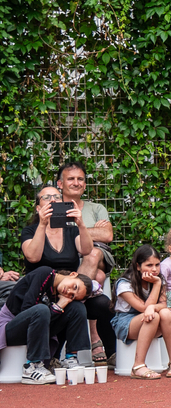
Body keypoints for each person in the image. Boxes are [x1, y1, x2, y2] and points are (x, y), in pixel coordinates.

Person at [20, 184, 117, 362]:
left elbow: (87, 250)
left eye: (57, 197)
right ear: (38, 207)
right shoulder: (30, 231)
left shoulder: (71, 230)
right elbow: (32, 257)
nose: (53, 201)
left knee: (104, 304)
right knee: (74, 307)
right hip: (41, 293)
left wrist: (80, 224)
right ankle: (59, 357)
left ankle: (112, 353)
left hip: (71, 289)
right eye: (47, 198)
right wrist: (42, 224)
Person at [57, 160, 115, 362]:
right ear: (60, 184)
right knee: (97, 276)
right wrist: (91, 231)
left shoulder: (96, 208)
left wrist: (74, 230)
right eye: (70, 178)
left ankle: (70, 302)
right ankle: (94, 336)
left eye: (80, 179)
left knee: (92, 255)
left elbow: (107, 235)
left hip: (97, 255)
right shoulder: (54, 208)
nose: (76, 182)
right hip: (68, 260)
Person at [0, 268, 91, 384]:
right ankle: (32, 366)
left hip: (34, 327)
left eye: (72, 296)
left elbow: (43, 319)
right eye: (75, 287)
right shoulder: (44, 273)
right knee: (41, 310)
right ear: (73, 274)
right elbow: (28, 310)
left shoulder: (58, 292)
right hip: (9, 327)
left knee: (77, 308)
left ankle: (70, 359)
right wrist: (58, 306)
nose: (69, 293)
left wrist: (61, 305)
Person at [112, 245, 171, 379]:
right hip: (125, 323)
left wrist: (152, 307)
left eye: (157, 265)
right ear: (138, 266)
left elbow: (163, 305)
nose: (154, 269)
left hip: (148, 319)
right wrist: (156, 285)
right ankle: (138, 366)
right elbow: (143, 309)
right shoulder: (124, 283)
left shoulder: (159, 278)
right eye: (149, 265)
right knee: (154, 317)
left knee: (165, 313)